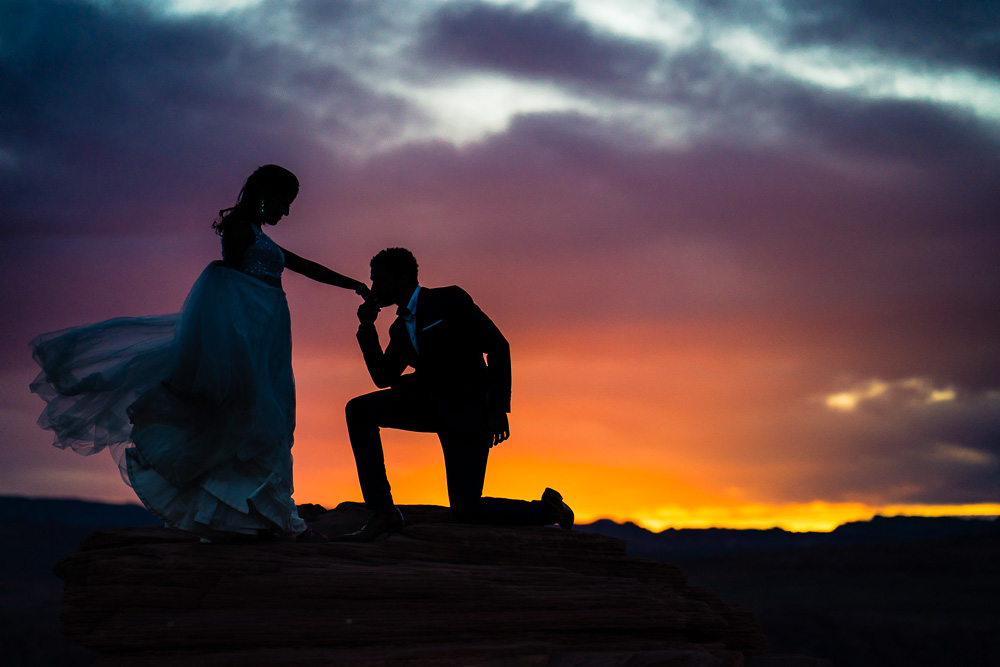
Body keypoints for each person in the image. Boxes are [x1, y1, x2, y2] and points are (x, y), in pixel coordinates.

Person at [30, 165, 366, 541]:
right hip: (248, 342)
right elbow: (227, 287)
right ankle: (259, 518)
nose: (285, 212)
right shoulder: (241, 231)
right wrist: (232, 352)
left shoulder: (256, 234)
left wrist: (352, 284)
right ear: (265, 195)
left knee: (268, 421)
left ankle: (251, 518)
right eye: (284, 203)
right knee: (253, 421)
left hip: (266, 342)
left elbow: (300, 264)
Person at [341, 247, 573, 541]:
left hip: (468, 413)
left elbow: (498, 346)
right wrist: (366, 327)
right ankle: (383, 511)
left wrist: (498, 410)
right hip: (425, 405)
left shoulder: (449, 300)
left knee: (467, 509)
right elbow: (383, 377)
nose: (374, 289)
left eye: (380, 281)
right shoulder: (399, 329)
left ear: (402, 279)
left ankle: (549, 510)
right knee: (359, 411)